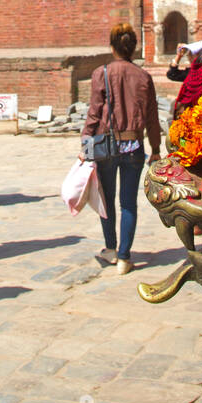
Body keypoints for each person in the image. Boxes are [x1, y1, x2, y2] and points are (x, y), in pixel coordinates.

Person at [80, 22, 161, 275]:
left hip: (107, 145)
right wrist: (156, 148)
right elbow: (152, 118)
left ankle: (111, 249)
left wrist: (85, 144)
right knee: (128, 203)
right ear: (134, 47)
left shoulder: (101, 73)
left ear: (112, 46)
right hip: (134, 145)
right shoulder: (144, 77)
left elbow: (94, 114)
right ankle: (125, 258)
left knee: (107, 199)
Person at [167, 36, 202, 117]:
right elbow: (172, 74)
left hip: (190, 115)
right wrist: (179, 56)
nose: (189, 56)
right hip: (199, 117)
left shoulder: (197, 68)